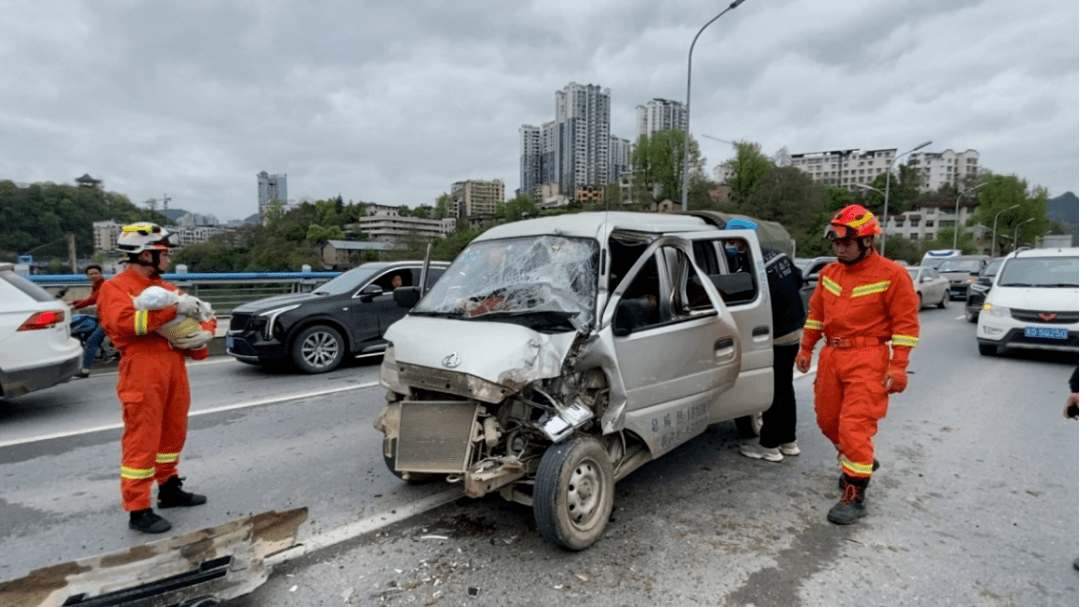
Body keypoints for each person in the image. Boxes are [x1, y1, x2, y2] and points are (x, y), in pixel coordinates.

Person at [795, 205, 920, 525]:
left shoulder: (893, 275)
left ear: (867, 241)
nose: (839, 248)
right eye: (835, 243)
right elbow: (816, 316)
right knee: (826, 422)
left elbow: (905, 325)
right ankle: (858, 456)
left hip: (868, 358)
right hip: (832, 356)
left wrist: (899, 365)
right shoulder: (829, 274)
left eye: (846, 243)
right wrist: (806, 347)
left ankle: (854, 493)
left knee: (854, 427)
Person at [96, 223, 216, 534]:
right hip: (142, 368)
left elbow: (204, 313)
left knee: (173, 433)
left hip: (173, 364)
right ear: (146, 254)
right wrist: (173, 309)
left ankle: (169, 488)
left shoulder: (165, 287)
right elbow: (125, 324)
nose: (168, 257)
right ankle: (138, 509)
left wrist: (206, 333)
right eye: (163, 252)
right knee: (142, 439)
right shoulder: (116, 288)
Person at [725, 219, 806, 463]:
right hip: (794, 330)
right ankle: (789, 442)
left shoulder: (748, 268)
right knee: (785, 387)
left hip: (775, 335)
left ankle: (769, 446)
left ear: (740, 240)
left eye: (729, 240)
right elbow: (799, 280)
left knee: (770, 390)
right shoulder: (778, 256)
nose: (728, 245)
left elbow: (736, 303)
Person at [72, 265, 107, 378]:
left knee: (92, 342)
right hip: (103, 316)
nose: (93, 276)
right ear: (87, 276)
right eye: (91, 274)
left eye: (96, 273)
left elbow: (92, 299)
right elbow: (89, 297)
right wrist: (71, 303)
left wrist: (72, 307)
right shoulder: (96, 285)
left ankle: (85, 369)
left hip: (109, 319)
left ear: (101, 273)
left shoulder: (104, 285)